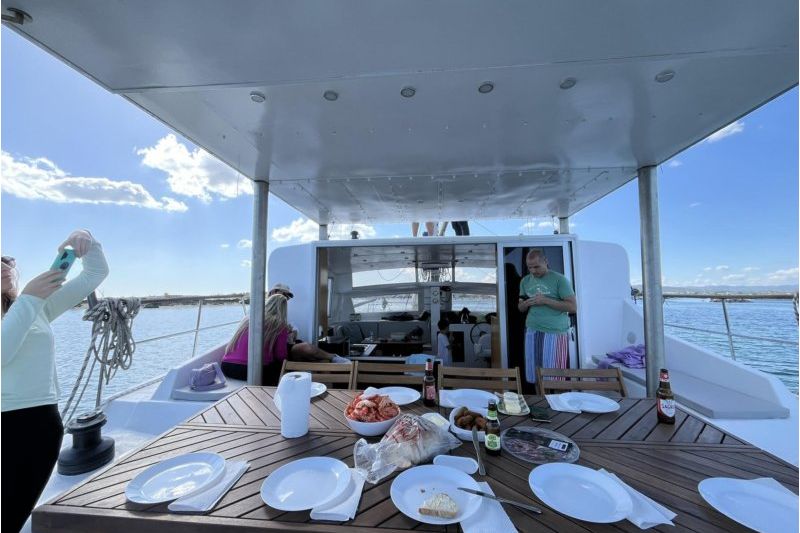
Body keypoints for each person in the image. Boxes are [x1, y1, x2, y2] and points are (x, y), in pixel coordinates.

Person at [2, 230, 109, 533]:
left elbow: (94, 274)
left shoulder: (35, 307)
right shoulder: (30, 304)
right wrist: (29, 298)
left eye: (5, 260)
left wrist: (86, 242)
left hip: (41, 425)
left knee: (12, 516)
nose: (4, 265)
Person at [517, 249, 577, 387]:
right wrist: (525, 304)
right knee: (535, 374)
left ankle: (558, 401)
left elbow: (572, 307)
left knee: (556, 377)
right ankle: (541, 399)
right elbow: (520, 308)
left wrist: (545, 301)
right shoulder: (525, 281)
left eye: (536, 267)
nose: (533, 271)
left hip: (555, 332)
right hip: (532, 330)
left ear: (546, 262)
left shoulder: (560, 279)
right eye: (530, 267)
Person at [268, 283, 349, 363]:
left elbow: (293, 326)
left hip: (285, 345)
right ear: (274, 292)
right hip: (277, 348)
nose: (287, 298)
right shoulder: (264, 310)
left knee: (310, 352)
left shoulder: (283, 311)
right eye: (284, 294)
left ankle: (331, 360)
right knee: (306, 348)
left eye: (288, 296)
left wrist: (293, 332)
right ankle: (333, 358)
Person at [221, 294, 290, 385]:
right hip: (252, 370)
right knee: (284, 368)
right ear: (283, 309)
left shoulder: (248, 319)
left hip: (226, 367)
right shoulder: (279, 324)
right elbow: (280, 355)